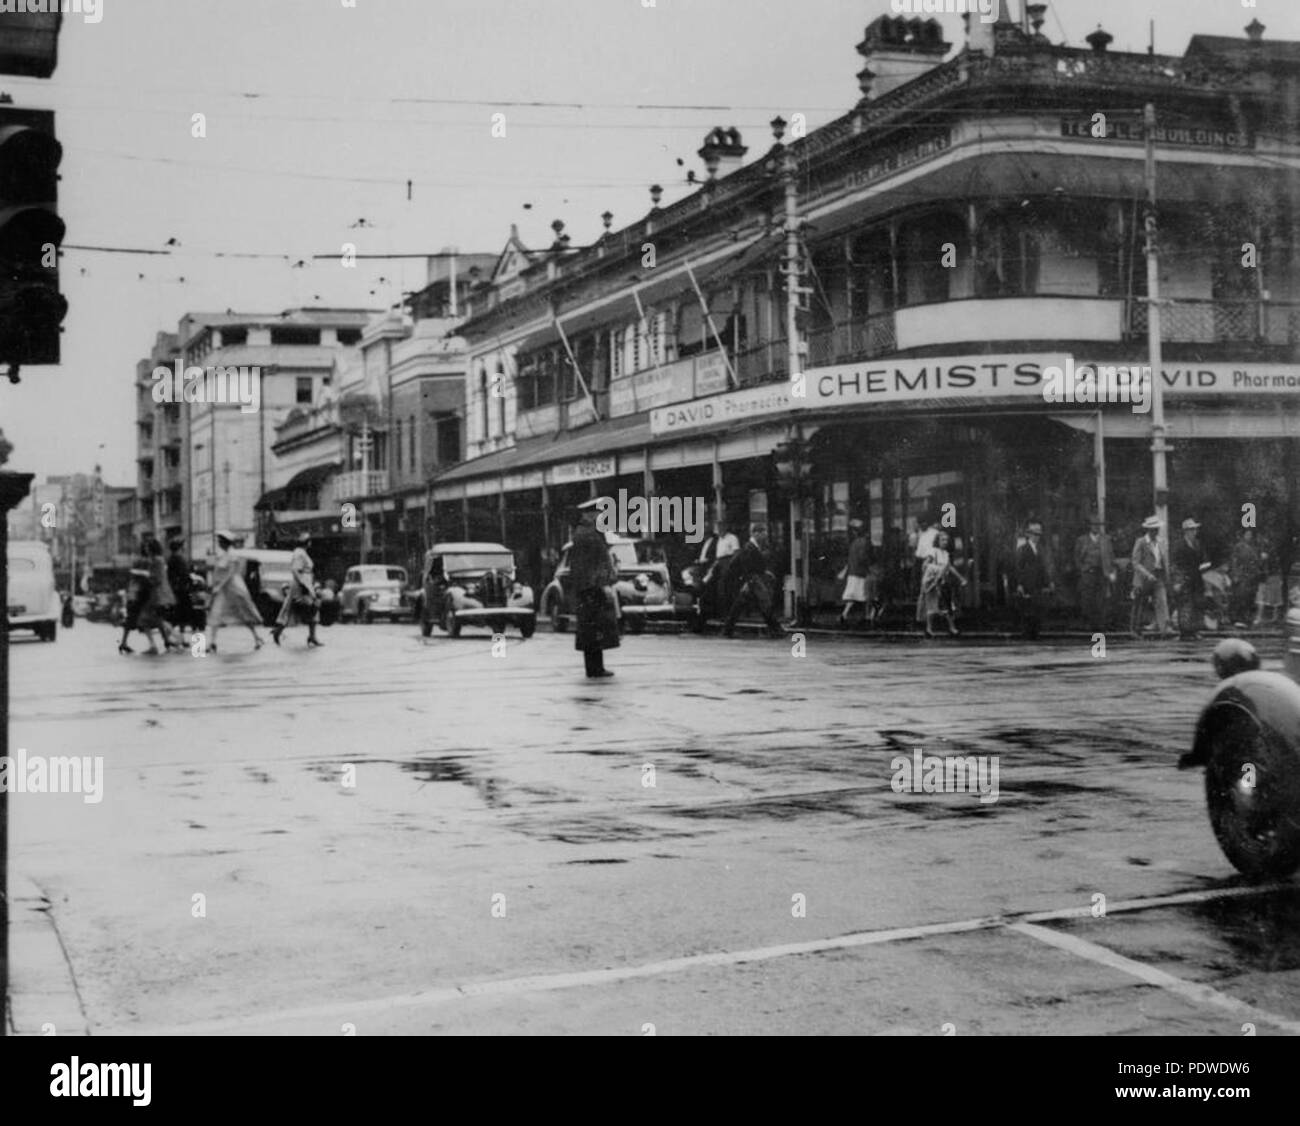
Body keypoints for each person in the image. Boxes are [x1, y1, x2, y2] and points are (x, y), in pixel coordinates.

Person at [569, 499, 619, 678]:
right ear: (590, 515)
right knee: (594, 628)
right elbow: (593, 564)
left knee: (592, 629)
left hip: (588, 588)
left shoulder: (585, 533)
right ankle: (595, 668)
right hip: (591, 588)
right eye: (599, 514)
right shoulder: (589, 534)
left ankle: (595, 667)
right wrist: (602, 584)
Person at [206, 531, 266, 653]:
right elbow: (218, 572)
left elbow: (230, 574)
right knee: (215, 614)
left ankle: (257, 637)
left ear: (225, 543)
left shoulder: (233, 555)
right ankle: (212, 642)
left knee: (244, 614)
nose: (219, 543)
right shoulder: (222, 555)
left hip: (234, 588)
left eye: (220, 541)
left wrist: (219, 586)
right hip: (224, 590)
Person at [723, 524, 784, 638]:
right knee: (763, 603)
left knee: (746, 605)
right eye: (763, 532)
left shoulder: (754, 546)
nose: (765, 535)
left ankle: (728, 630)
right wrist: (748, 582)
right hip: (750, 580)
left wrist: (764, 572)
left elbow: (755, 565)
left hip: (751, 580)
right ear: (756, 533)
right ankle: (776, 629)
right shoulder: (749, 547)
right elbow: (747, 568)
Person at [273, 532, 323, 647]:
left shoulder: (302, 553)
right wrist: (304, 586)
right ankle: (278, 631)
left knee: (311, 607)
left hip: (305, 583)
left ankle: (312, 636)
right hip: (301, 585)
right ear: (307, 542)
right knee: (298, 607)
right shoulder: (299, 554)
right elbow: (296, 570)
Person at [917, 530, 967, 637]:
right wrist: (936, 571)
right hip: (933, 582)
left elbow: (950, 567)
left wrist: (960, 578)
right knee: (932, 605)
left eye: (946, 540)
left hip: (942, 582)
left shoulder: (946, 554)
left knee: (946, 605)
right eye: (942, 540)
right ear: (937, 541)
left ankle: (952, 628)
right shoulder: (933, 551)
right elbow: (925, 565)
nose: (945, 542)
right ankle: (929, 629)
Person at [1130, 516, 1172, 638]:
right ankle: (1135, 630)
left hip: (1158, 575)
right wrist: (1147, 574)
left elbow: (1163, 560)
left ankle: (1165, 629)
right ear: (1148, 530)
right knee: (1139, 603)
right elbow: (1135, 562)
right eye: (1153, 529)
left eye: (1157, 529)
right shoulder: (1141, 542)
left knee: (1161, 600)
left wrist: (1166, 575)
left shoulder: (1160, 542)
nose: (1156, 531)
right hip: (1144, 577)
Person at [1073, 517, 1116, 634]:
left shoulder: (1106, 539)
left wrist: (1111, 572)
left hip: (1102, 573)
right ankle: (1089, 624)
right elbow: (1076, 557)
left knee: (1101, 599)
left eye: (1098, 525)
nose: (1096, 527)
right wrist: (1082, 569)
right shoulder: (1082, 540)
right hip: (1088, 573)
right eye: (1093, 524)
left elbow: (1111, 557)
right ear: (1089, 526)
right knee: (1087, 598)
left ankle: (1100, 625)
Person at [1015, 518, 1054, 640]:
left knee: (1038, 608)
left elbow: (1046, 567)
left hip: (1039, 583)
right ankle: (1027, 633)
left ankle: (1035, 633)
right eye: (1035, 534)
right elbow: (1019, 567)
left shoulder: (1042, 549)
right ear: (1029, 534)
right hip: (1027, 583)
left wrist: (1049, 582)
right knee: (1028, 609)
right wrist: (1020, 584)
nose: (1037, 536)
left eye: (1039, 534)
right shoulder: (1023, 548)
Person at [1171, 517, 1210, 639]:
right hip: (1184, 577)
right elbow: (1175, 564)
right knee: (1185, 605)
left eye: (1195, 529)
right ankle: (1185, 631)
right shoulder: (1179, 545)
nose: (1194, 532)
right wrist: (1177, 581)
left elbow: (1203, 559)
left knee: (1197, 603)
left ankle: (1194, 630)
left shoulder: (1197, 544)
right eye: (1192, 530)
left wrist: (1205, 566)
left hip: (1197, 577)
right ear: (1186, 531)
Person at [839, 519, 873, 629]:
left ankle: (845, 614)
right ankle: (868, 617)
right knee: (866, 595)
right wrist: (869, 566)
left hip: (853, 572)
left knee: (852, 596)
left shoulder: (854, 543)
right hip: (861, 573)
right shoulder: (864, 542)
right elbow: (863, 557)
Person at [1228, 529, 1262, 628]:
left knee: (1249, 598)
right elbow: (1234, 561)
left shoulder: (1254, 547)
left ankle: (1246, 619)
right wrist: (1235, 574)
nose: (1249, 536)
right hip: (1241, 576)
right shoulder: (1239, 547)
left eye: (1250, 534)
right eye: (1247, 534)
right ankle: (1237, 618)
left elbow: (1256, 562)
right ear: (1243, 535)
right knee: (1240, 597)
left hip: (1251, 577)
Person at [166, 537, 198, 641]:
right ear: (180, 547)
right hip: (182, 590)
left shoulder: (171, 558)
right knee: (188, 616)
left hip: (175, 590)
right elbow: (185, 574)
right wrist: (191, 581)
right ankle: (193, 642)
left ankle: (179, 638)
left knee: (178, 617)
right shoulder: (180, 558)